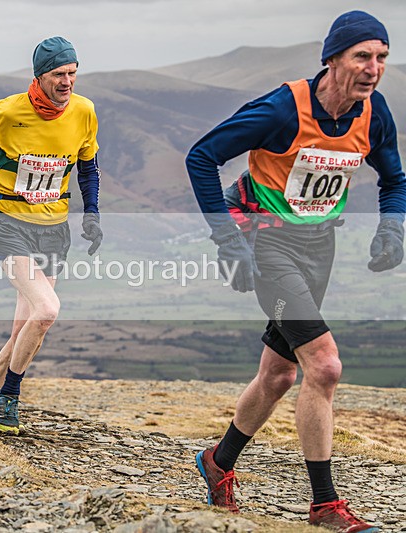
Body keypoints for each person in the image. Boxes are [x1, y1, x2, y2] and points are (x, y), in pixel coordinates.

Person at [186, 11, 404, 532]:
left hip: (318, 248)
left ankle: (218, 462)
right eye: (362, 56)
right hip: (269, 246)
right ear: (331, 59)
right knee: (323, 366)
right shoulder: (283, 109)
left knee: (280, 373)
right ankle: (325, 506)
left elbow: (396, 178)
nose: (373, 69)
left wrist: (392, 229)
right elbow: (202, 157)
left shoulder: (373, 115)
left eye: (381, 58)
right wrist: (226, 240)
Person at [0, 36, 102, 436]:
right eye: (58, 74)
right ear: (39, 76)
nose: (67, 82)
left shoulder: (84, 111)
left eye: (72, 73)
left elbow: (89, 166)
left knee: (26, 327)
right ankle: (10, 397)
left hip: (54, 229)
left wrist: (93, 214)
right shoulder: (7, 112)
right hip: (7, 222)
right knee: (47, 310)